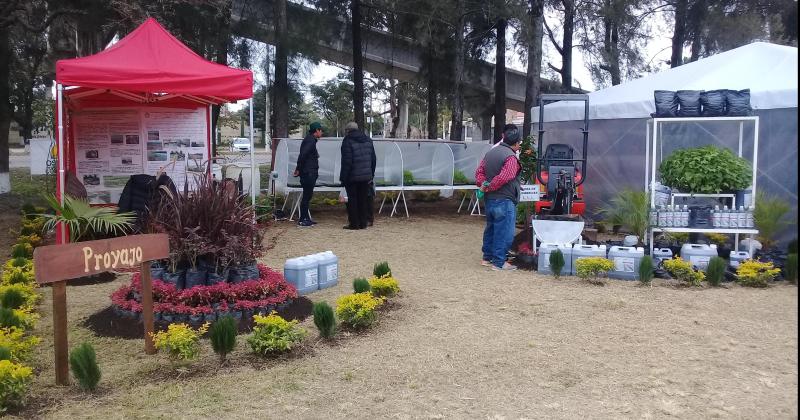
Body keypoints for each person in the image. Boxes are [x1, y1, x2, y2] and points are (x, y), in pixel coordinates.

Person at [475, 125, 522, 271]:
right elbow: (505, 176)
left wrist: (484, 185)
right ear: (515, 144)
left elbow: (479, 172)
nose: (519, 146)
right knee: (504, 231)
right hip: (504, 199)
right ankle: (499, 262)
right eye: (519, 143)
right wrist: (490, 186)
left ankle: (487, 258)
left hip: (490, 199)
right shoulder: (511, 157)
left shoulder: (491, 153)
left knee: (491, 228)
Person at [339, 122, 376, 230]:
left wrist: (343, 178)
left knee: (352, 200)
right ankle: (363, 223)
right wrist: (371, 174)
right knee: (363, 199)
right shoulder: (368, 140)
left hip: (352, 177)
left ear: (348, 131)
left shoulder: (347, 141)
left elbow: (347, 162)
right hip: (366, 177)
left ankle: (354, 224)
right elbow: (373, 159)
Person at [294, 122, 323, 227]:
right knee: (306, 196)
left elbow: (304, 155)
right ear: (316, 131)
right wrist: (298, 168)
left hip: (308, 171)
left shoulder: (310, 140)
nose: (322, 132)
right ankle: (302, 219)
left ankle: (306, 218)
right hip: (308, 172)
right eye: (321, 130)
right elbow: (303, 155)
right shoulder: (310, 141)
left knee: (307, 196)